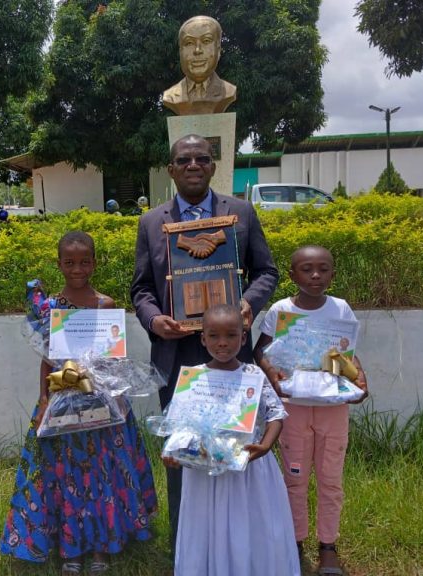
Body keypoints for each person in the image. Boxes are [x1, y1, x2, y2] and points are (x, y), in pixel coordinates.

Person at [130, 133, 279, 551]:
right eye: (184, 159)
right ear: (171, 169)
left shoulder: (242, 213)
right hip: (177, 355)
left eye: (201, 158)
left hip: (232, 355)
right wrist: (155, 319)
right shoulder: (150, 222)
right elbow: (141, 288)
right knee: (182, 452)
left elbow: (267, 272)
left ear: (213, 166)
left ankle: (236, 544)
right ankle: (187, 545)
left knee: (236, 447)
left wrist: (247, 305)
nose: (193, 165)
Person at [0, 231, 158, 576]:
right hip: (61, 400)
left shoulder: (107, 304)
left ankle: (102, 544)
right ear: (58, 264)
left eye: (84, 261)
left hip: (102, 399)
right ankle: (71, 545)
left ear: (94, 263)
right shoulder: (50, 308)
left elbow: (116, 356)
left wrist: (110, 389)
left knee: (103, 473)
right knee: (65, 474)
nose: (77, 268)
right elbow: (47, 358)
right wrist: (44, 399)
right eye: (69, 262)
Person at [253, 245, 369, 576]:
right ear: (292, 274)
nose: (315, 275)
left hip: (332, 408)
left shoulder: (340, 308)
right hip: (294, 408)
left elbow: (344, 355)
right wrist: (270, 370)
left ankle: (328, 546)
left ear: (333, 273)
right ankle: (295, 543)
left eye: (323, 269)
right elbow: (261, 351)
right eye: (306, 269)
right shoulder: (280, 310)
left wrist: (358, 377)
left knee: (331, 479)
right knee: (295, 478)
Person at [167, 304, 300, 576]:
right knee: (206, 523)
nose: (222, 343)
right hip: (204, 472)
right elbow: (179, 424)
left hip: (248, 469)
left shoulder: (253, 375)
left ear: (243, 337)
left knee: (248, 521)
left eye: (231, 335)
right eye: (214, 336)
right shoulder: (194, 378)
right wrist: (174, 453)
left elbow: (276, 415)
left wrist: (265, 445)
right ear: (203, 339)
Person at [162, 16, 237, 115]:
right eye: (189, 43)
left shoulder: (228, 91)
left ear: (218, 49)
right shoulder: (170, 96)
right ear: (180, 51)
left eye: (206, 41)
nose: (197, 50)